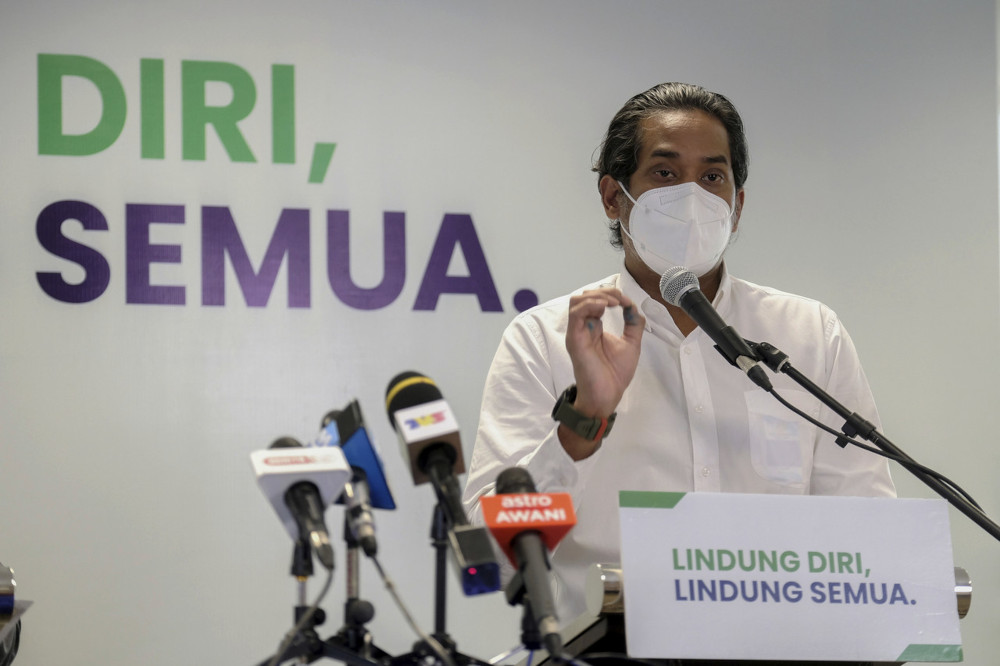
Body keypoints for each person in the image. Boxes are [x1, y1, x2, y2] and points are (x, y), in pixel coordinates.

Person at [461, 82, 895, 625]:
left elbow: (869, 531)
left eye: (713, 177)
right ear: (614, 196)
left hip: (782, 653)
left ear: (737, 206)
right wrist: (582, 422)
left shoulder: (808, 334)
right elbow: (491, 556)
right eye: (665, 173)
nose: (692, 196)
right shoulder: (544, 339)